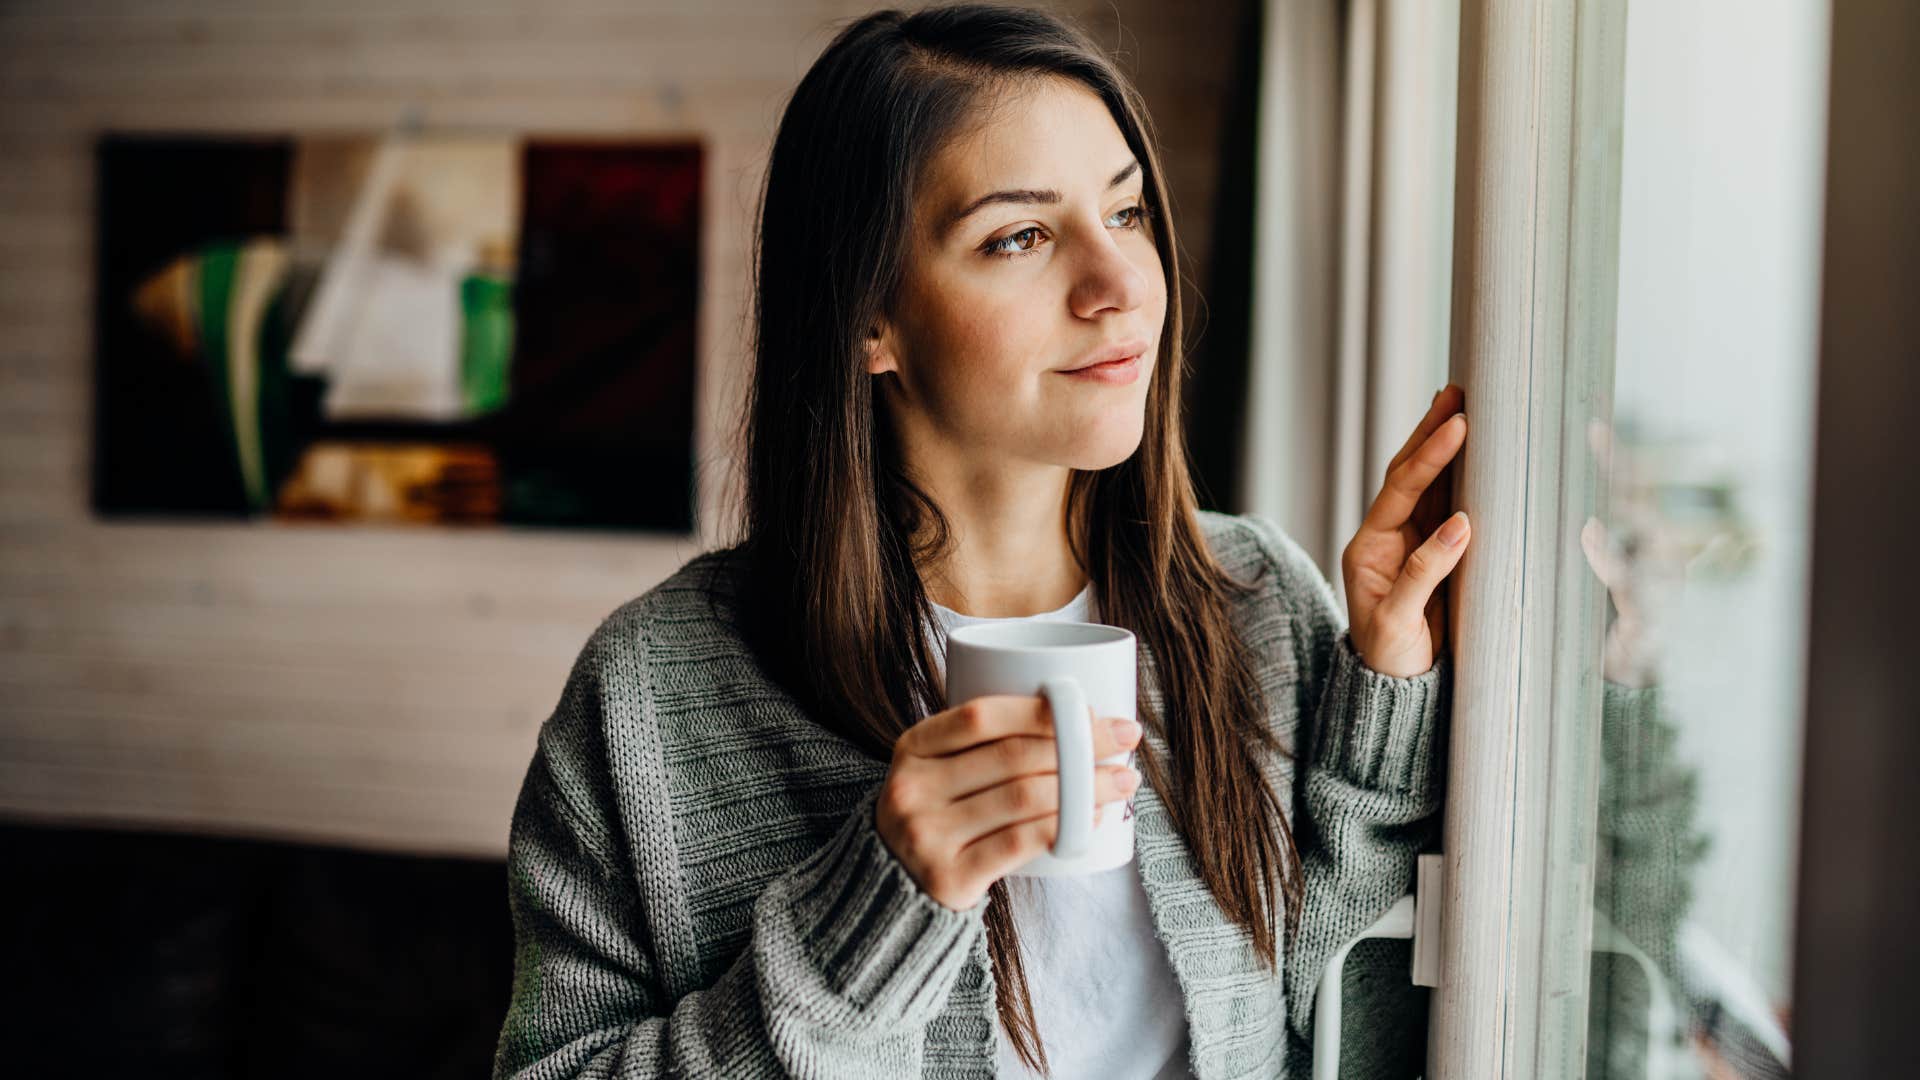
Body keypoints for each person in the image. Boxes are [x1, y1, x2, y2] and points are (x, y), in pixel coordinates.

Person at [491, 6, 1474, 1078]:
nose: (1119, 287)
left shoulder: (1258, 602)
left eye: (1129, 212)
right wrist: (871, 913)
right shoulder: (654, 692)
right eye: (1021, 236)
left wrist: (1383, 687)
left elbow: (1357, 1036)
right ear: (869, 315)